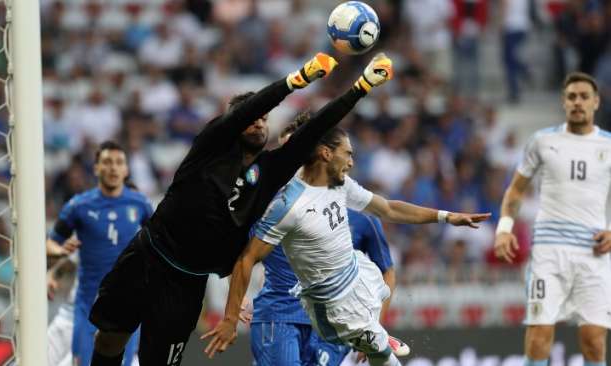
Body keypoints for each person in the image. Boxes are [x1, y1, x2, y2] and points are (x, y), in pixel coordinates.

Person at [89, 53, 394, 366]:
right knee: (111, 337)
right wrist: (296, 80)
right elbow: (246, 110)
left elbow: (316, 128)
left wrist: (361, 86)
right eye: (254, 115)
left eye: (264, 119)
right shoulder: (209, 147)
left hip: (188, 283)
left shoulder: (270, 171)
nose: (259, 121)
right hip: (148, 256)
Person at [203, 127, 490, 365]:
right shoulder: (277, 204)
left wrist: (446, 216)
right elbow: (240, 255)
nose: (352, 161)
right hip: (286, 313)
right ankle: (369, 333)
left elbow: (389, 210)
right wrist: (231, 312)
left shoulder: (340, 187)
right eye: (348, 154)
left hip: (345, 298)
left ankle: (371, 329)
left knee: (372, 309)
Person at [246, 120, 401, 366]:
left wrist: (374, 324)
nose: (289, 161)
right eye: (284, 152)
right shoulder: (275, 206)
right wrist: (238, 303)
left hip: (334, 320)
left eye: (295, 151)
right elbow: (245, 256)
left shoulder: (361, 214)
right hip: (283, 314)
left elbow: (387, 272)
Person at [493, 72, 611, 366]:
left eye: (584, 97)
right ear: (563, 102)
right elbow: (515, 191)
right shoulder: (543, 141)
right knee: (539, 335)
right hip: (549, 250)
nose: (577, 102)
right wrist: (504, 229)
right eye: (571, 97)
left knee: (595, 341)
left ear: (596, 102)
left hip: (593, 253)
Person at [46, 141, 153, 366]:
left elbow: (158, 245)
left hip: (126, 308)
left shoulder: (140, 204)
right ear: (96, 168)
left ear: (125, 169)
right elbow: (52, 245)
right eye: (107, 162)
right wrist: (56, 259)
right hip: (86, 311)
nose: (113, 168)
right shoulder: (79, 206)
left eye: (118, 163)